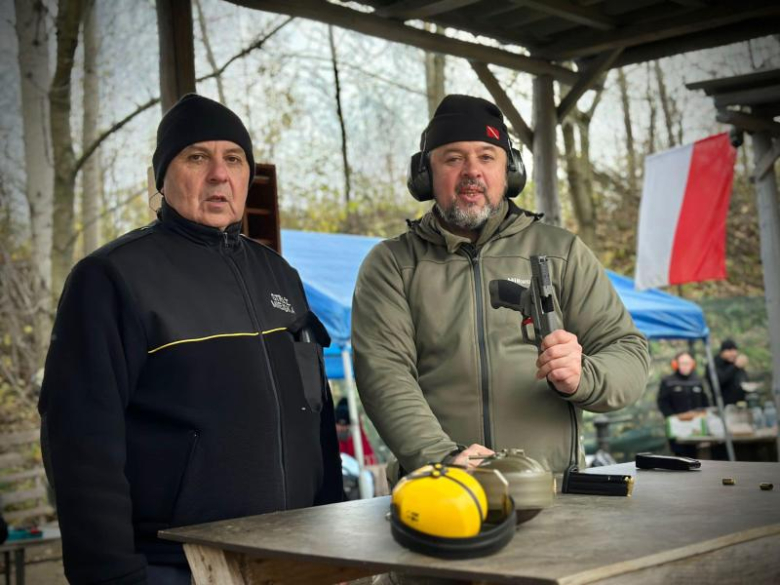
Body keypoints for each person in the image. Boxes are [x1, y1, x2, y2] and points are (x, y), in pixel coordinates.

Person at [38, 94, 342, 585]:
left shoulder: (279, 274)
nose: (219, 174)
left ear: (247, 176)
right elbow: (79, 444)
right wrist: (111, 575)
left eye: (234, 158)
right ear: (163, 176)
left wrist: (333, 533)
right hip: (178, 567)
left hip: (297, 553)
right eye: (197, 157)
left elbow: (317, 416)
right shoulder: (112, 278)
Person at [352, 94, 650, 483]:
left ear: (510, 171)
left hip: (553, 490)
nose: (471, 171)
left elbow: (628, 353)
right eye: (453, 158)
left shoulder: (562, 253)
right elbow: (385, 375)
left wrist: (583, 375)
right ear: (424, 175)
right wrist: (444, 459)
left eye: (487, 157)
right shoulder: (392, 264)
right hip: (439, 490)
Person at [657, 351, 708, 457]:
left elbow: (705, 402)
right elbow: (662, 402)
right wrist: (673, 418)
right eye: (682, 363)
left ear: (692, 364)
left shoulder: (697, 381)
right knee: (680, 458)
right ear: (676, 364)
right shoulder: (668, 381)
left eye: (688, 363)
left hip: (696, 428)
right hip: (677, 428)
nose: (685, 366)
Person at [335, 397, 377, 465]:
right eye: (339, 426)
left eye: (345, 427)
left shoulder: (357, 436)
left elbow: (370, 461)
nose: (342, 429)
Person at [714, 338, 748, 405]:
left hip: (740, 403)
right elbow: (720, 380)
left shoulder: (735, 363)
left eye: (735, 350)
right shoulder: (715, 364)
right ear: (722, 352)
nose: (733, 354)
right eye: (730, 351)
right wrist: (735, 366)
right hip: (723, 404)